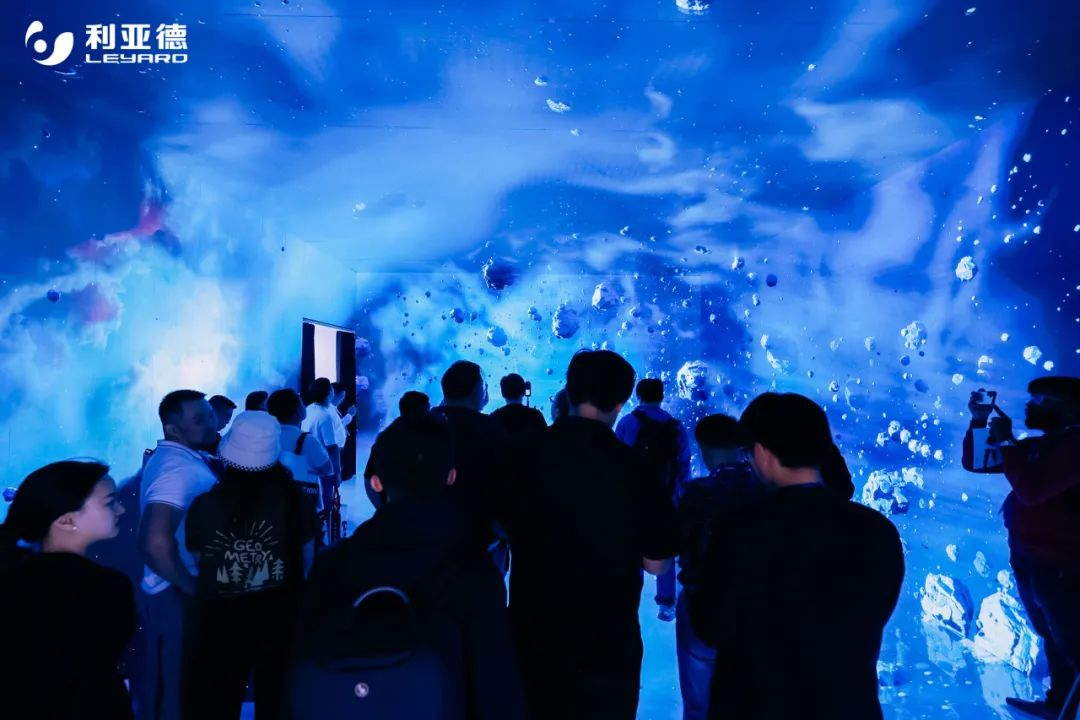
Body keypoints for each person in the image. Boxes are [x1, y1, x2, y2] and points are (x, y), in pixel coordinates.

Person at [690, 392, 904, 720]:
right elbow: (878, 612)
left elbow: (711, 626)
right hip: (848, 707)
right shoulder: (879, 531)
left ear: (762, 453)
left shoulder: (739, 529)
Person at [300, 414, 528, 720]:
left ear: (376, 482)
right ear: (450, 477)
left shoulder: (331, 567)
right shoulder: (474, 573)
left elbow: (302, 672)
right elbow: (496, 694)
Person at [498, 350, 678, 720]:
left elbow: (498, 525)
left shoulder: (522, 455)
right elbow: (658, 563)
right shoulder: (636, 469)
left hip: (533, 632)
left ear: (569, 391)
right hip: (607, 643)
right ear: (621, 402)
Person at [185, 411, 319, 720]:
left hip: (220, 620)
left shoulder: (205, 505)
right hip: (282, 617)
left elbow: (199, 560)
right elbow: (308, 562)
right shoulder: (296, 502)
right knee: (277, 701)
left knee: (217, 703)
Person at [962, 377, 1080, 719]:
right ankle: (1058, 704)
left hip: (1062, 563)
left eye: (1040, 399)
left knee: (1071, 639)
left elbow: (1031, 489)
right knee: (1051, 633)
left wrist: (1007, 441)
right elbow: (978, 462)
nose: (1030, 405)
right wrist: (979, 422)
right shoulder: (1041, 445)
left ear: (1068, 408)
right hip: (1033, 557)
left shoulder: (1075, 448)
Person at [0, 460, 134, 720]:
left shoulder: (12, 577)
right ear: (66, 520)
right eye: (110, 502)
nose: (121, 508)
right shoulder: (105, 587)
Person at [676, 415, 767, 720]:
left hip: (701, 603)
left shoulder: (696, 493)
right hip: (756, 610)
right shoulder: (766, 490)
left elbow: (679, 543)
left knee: (698, 703)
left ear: (703, 450)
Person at [137, 389, 220, 720]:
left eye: (210, 415)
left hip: (172, 591)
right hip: (175, 593)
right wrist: (193, 589)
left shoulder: (178, 459)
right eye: (199, 419)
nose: (211, 424)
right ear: (172, 429)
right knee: (178, 689)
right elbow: (153, 543)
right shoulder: (176, 469)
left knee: (174, 684)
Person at [614, 378, 691, 621]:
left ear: (637, 395)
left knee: (631, 545)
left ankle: (629, 600)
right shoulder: (676, 427)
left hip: (633, 497)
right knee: (665, 544)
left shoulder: (627, 423)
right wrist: (681, 495)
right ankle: (666, 603)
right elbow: (684, 464)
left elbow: (616, 460)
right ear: (661, 396)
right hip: (666, 496)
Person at [432, 361, 510, 564]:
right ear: (477, 391)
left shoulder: (414, 426)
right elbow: (508, 489)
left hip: (426, 547)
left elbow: (375, 479)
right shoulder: (492, 431)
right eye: (484, 386)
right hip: (478, 550)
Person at [268, 388, 335, 516]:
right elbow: (327, 469)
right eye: (302, 403)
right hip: (300, 509)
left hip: (270, 505)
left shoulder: (262, 437)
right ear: (297, 412)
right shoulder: (307, 441)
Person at [301, 378, 342, 520]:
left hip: (307, 462)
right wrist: (337, 472)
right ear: (329, 392)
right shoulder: (325, 417)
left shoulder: (309, 409)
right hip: (324, 464)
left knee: (311, 496)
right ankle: (325, 522)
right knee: (326, 497)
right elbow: (332, 447)